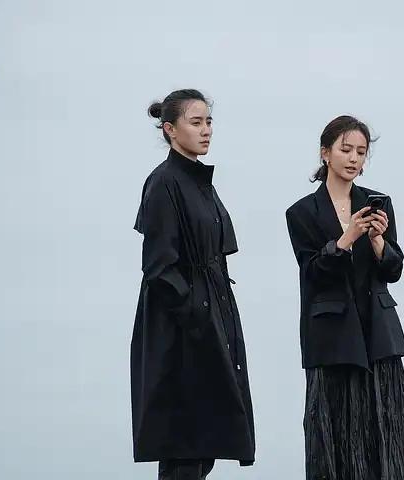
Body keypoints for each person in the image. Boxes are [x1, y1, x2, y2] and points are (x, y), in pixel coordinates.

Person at [285, 115, 404, 480]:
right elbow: (312, 274)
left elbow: (393, 269)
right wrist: (346, 239)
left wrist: (377, 241)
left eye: (361, 152)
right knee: (336, 439)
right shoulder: (301, 212)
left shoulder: (379, 203)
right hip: (333, 339)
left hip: (379, 334)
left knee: (388, 434)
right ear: (325, 153)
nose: (354, 158)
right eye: (346, 149)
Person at [131, 89, 255, 480]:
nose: (206, 130)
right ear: (170, 129)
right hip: (182, 331)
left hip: (210, 318)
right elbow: (158, 267)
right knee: (185, 443)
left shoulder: (201, 182)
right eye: (196, 122)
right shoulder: (163, 182)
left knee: (207, 441)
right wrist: (197, 314)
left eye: (209, 121)